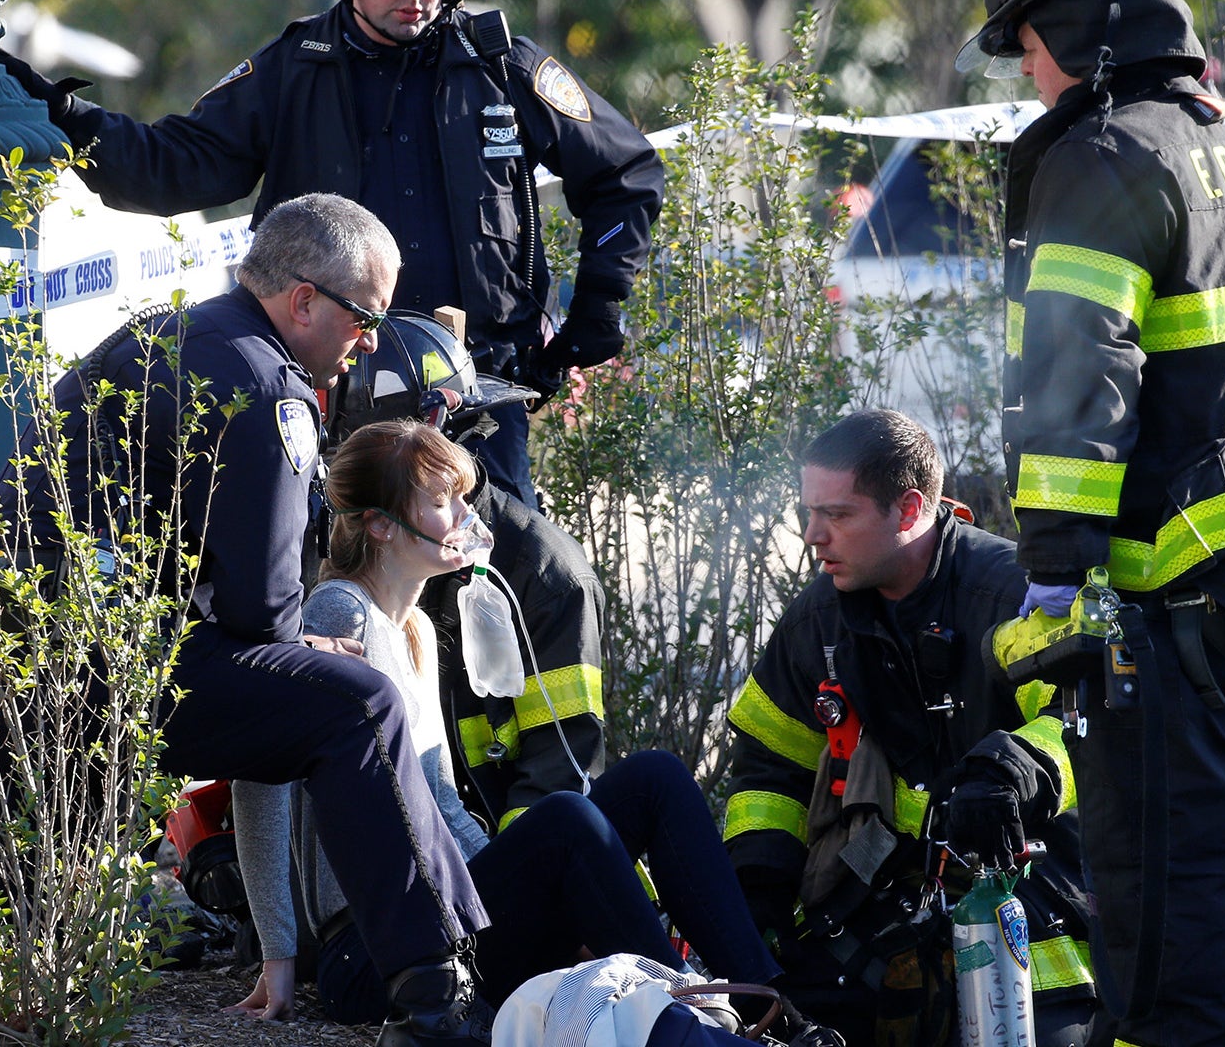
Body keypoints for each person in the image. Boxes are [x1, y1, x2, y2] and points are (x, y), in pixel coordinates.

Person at [0, 194, 495, 1047]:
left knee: (324, 694)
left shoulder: (164, 334)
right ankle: (436, 999)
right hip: (81, 681)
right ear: (303, 300)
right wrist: (302, 639)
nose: (371, 340)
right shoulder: (267, 390)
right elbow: (262, 615)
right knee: (357, 704)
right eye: (365, 315)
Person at [959, 0, 1225, 1043]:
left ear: (1078, 29)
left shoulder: (1106, 154)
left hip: (1166, 595)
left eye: (1025, 44)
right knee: (1204, 864)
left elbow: (1082, 375)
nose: (1025, 72)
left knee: (1169, 908)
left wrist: (1056, 570)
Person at [228, 421, 832, 1047]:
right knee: (566, 820)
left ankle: (774, 1011)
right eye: (443, 502)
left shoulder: (418, 632)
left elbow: (440, 807)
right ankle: (684, 1013)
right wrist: (278, 949)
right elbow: (258, 778)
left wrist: (519, 882)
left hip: (443, 925)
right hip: (374, 958)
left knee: (655, 778)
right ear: (380, 524)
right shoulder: (340, 613)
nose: (467, 514)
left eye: (464, 495)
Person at [0, 0, 665, 509]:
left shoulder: (502, 66)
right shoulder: (294, 66)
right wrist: (66, 118)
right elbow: (174, 169)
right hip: (326, 400)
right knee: (323, 593)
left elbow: (625, 171)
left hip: (474, 397)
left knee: (513, 586)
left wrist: (598, 309)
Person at [724, 409, 1096, 1047]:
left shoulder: (1015, 598)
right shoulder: (818, 620)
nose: (812, 536)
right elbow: (769, 768)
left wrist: (1009, 773)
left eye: (836, 515)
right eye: (807, 512)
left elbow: (1083, 724)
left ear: (908, 510)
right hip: (882, 898)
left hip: (1029, 892)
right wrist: (757, 893)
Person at [326, 310, 608, 829]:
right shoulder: (353, 575)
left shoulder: (543, 576)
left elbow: (561, 776)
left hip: (518, 859)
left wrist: (504, 888)